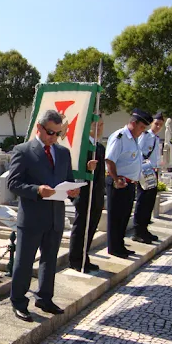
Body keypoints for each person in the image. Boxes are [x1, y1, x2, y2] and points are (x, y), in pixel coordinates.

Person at [7, 109, 80, 322]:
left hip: (55, 216)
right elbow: (13, 183)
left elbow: (68, 179)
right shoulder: (23, 151)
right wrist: (37, 190)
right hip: (32, 217)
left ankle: (45, 298)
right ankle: (19, 302)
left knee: (49, 260)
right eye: (50, 132)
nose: (54, 137)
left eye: (58, 133)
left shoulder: (63, 153)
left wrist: (73, 191)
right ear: (39, 128)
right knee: (24, 262)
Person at [105, 108, 153, 259]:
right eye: (141, 127)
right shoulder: (120, 137)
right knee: (116, 217)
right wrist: (116, 179)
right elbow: (110, 160)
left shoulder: (133, 138)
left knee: (124, 216)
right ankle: (114, 247)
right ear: (133, 123)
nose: (142, 130)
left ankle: (120, 245)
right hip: (119, 182)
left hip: (129, 183)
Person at [68, 114, 106, 273]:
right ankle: (76, 260)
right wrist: (86, 168)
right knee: (81, 227)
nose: (99, 128)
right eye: (96, 125)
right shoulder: (82, 146)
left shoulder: (99, 147)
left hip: (96, 194)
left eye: (101, 125)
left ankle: (85, 257)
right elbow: (73, 168)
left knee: (91, 228)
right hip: (83, 193)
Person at [132, 112, 165, 243]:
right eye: (156, 124)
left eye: (160, 125)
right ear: (151, 124)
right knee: (142, 200)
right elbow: (138, 150)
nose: (158, 126)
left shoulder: (156, 138)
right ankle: (138, 231)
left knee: (150, 201)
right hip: (145, 171)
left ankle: (144, 229)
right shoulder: (145, 135)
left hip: (153, 171)